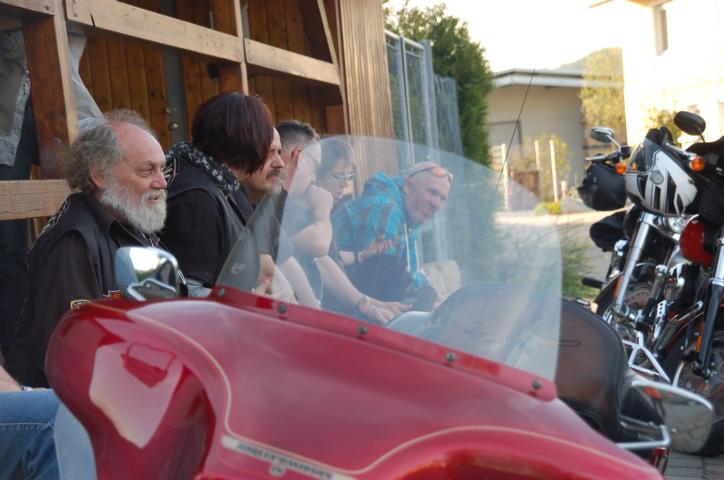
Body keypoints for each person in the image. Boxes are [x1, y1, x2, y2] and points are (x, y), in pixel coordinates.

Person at [5, 110, 167, 387]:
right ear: (100, 176)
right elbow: (74, 356)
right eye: (146, 170)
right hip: (66, 403)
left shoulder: (132, 221)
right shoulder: (74, 243)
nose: (162, 182)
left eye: (163, 169)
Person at [162, 93, 296, 301]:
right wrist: (253, 302)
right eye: (268, 150)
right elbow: (186, 293)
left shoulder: (221, 184)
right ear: (246, 142)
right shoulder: (197, 198)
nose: (279, 163)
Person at [277, 121, 407, 323]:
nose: (345, 185)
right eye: (338, 176)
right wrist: (322, 212)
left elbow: (322, 260)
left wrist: (367, 302)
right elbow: (318, 248)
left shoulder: (295, 205)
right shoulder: (286, 205)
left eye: (349, 177)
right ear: (298, 157)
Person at [332, 161, 452, 306]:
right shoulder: (386, 210)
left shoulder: (408, 218)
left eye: (442, 198)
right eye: (432, 192)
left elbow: (411, 274)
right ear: (407, 186)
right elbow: (383, 286)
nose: (436, 204)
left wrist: (435, 299)